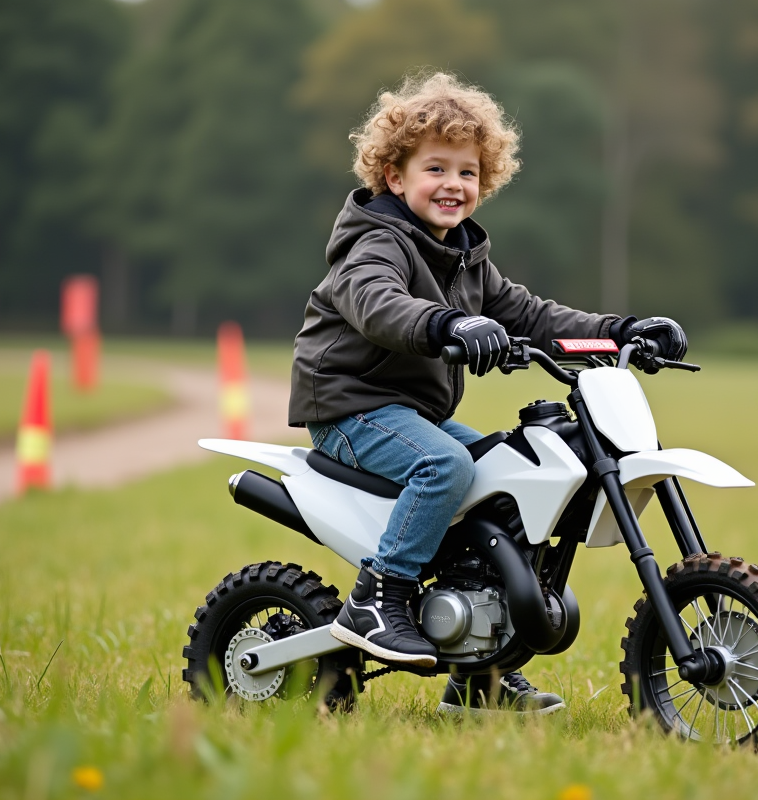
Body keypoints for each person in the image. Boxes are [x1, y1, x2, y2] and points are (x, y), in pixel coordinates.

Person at [288, 72, 687, 714]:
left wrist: (621, 331)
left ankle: (483, 671)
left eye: (468, 172)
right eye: (435, 168)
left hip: (410, 413)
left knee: (508, 478)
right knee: (444, 465)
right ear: (394, 176)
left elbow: (532, 315)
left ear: (486, 181)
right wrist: (450, 324)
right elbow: (378, 306)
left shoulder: (465, 256)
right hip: (348, 408)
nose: (454, 184)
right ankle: (377, 598)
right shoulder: (373, 244)